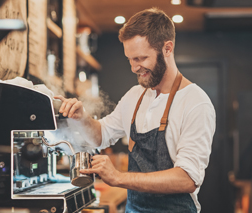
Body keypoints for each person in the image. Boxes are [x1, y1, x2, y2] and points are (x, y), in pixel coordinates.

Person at [55, 7, 215, 213]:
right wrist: (82, 117)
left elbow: (187, 179)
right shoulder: (135, 96)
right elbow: (101, 136)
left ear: (167, 49)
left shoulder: (195, 102)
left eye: (140, 58)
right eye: (130, 59)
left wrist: (119, 177)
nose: (134, 67)